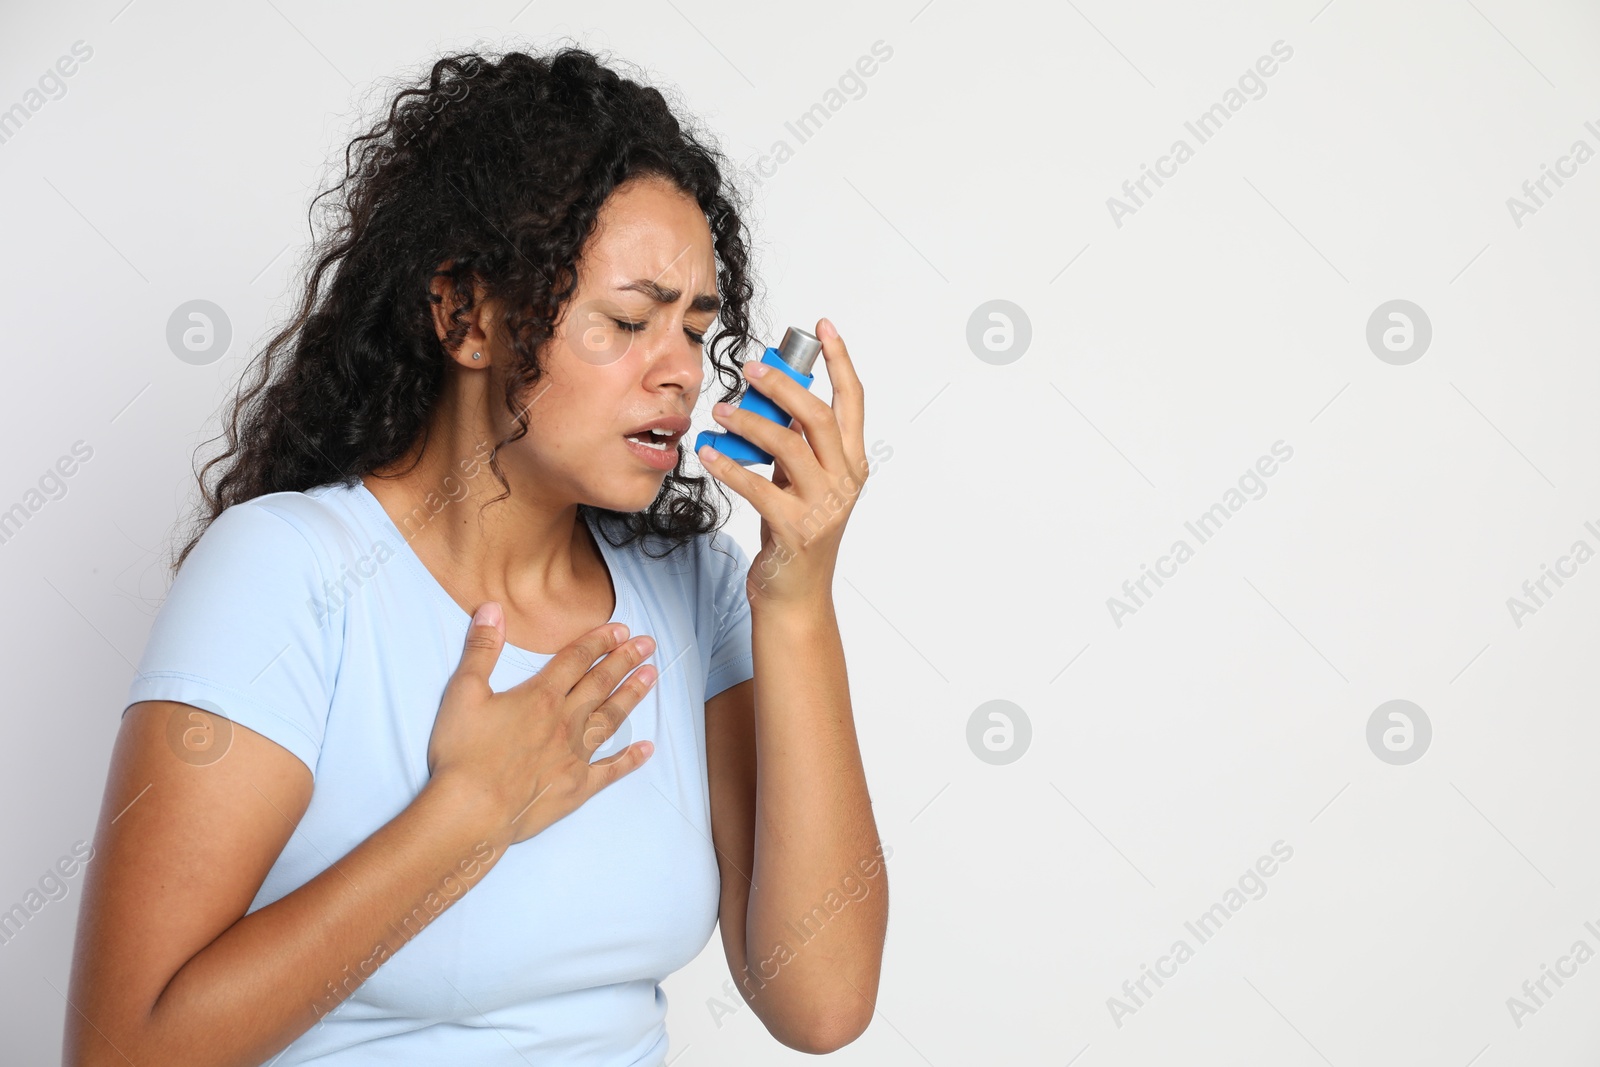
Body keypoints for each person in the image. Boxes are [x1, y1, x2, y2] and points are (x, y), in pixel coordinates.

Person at [64, 44, 887, 1066]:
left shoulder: (701, 591)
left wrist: (798, 599)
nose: (679, 372)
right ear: (465, 315)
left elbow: (823, 1002)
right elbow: (122, 1051)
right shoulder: (284, 574)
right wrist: (471, 815)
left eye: (696, 328)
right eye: (628, 321)